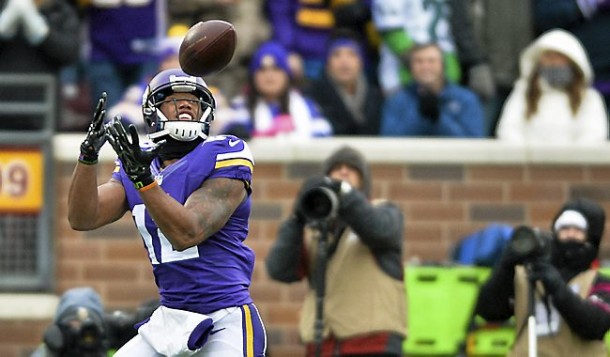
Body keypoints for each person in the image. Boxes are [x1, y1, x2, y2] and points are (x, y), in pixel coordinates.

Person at [67, 68, 267, 356]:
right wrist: (87, 157)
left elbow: (188, 232)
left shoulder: (225, 152)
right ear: (152, 111)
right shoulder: (137, 164)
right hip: (170, 318)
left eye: (194, 100)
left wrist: (144, 181)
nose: (186, 104)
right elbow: (82, 217)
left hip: (225, 317)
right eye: (174, 99)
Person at [266, 146, 406, 356]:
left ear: (364, 180)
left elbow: (380, 231)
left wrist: (345, 194)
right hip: (322, 347)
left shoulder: (384, 211)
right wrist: (298, 216)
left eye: (352, 168)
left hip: (372, 345)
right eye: (336, 168)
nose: (343, 172)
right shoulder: (313, 229)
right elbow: (279, 269)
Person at [474, 197, 610, 356]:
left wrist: (558, 288)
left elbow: (595, 325)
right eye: (564, 228)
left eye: (578, 230)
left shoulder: (599, 282)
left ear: (591, 239)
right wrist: (505, 267)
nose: (570, 235)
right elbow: (489, 312)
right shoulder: (528, 277)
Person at [495, 29, 609, 143]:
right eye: (548, 57)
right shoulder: (523, 93)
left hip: (574, 160)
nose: (553, 63)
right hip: (528, 159)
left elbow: (594, 135)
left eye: (559, 57)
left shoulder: (589, 98)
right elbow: (508, 130)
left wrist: (568, 158)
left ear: (573, 62)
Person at [221, 41, 332, 140]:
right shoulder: (240, 105)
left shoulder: (307, 105)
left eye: (276, 69)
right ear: (253, 77)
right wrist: (266, 133)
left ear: (287, 76)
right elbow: (231, 133)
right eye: (262, 70)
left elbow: (324, 131)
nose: (269, 76)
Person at [0, 0, 80, 130]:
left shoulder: (59, 9)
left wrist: (43, 34)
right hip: (3, 108)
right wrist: (3, 27)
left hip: (42, 113)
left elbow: (70, 53)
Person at [380, 43, 485, 137]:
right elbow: (389, 139)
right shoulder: (397, 100)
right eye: (419, 62)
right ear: (410, 67)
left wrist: (439, 119)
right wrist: (419, 116)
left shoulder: (465, 99)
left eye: (431, 61)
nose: (425, 67)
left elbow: (474, 141)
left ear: (442, 65)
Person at [305, 29, 383, 136]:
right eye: (336, 55)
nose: (344, 61)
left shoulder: (376, 97)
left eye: (351, 54)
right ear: (327, 63)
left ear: (361, 62)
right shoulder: (311, 95)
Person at [31, 287, 108, 357]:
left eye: (86, 330)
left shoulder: (107, 349)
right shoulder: (49, 351)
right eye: (72, 327)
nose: (78, 334)